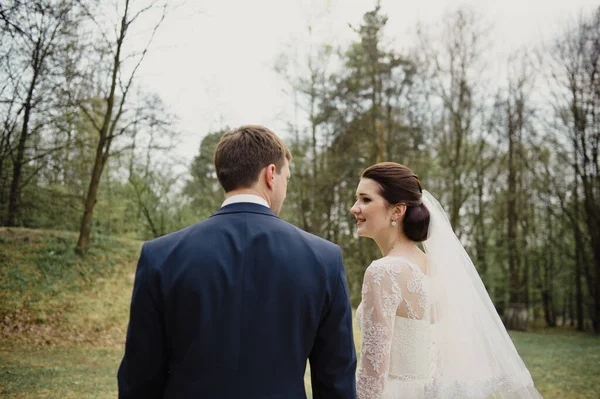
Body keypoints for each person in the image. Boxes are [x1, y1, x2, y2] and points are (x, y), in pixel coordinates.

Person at [118, 125, 356, 399]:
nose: (285, 189)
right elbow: (336, 382)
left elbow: (139, 377)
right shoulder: (324, 259)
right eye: (286, 179)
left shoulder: (160, 255)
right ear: (271, 174)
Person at [351, 162, 542, 399]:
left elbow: (372, 374)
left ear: (397, 211)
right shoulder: (436, 269)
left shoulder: (382, 272)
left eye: (365, 199)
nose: (354, 208)